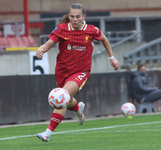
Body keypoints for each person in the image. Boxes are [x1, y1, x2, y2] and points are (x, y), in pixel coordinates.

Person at [35, 3, 120, 142]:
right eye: (72, 16)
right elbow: (50, 42)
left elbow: (104, 39)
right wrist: (42, 49)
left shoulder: (91, 30)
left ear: (83, 17)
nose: (75, 19)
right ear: (69, 16)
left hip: (81, 71)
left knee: (62, 96)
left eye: (78, 17)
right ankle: (77, 108)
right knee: (67, 99)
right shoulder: (62, 29)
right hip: (62, 71)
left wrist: (112, 58)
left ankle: (47, 133)